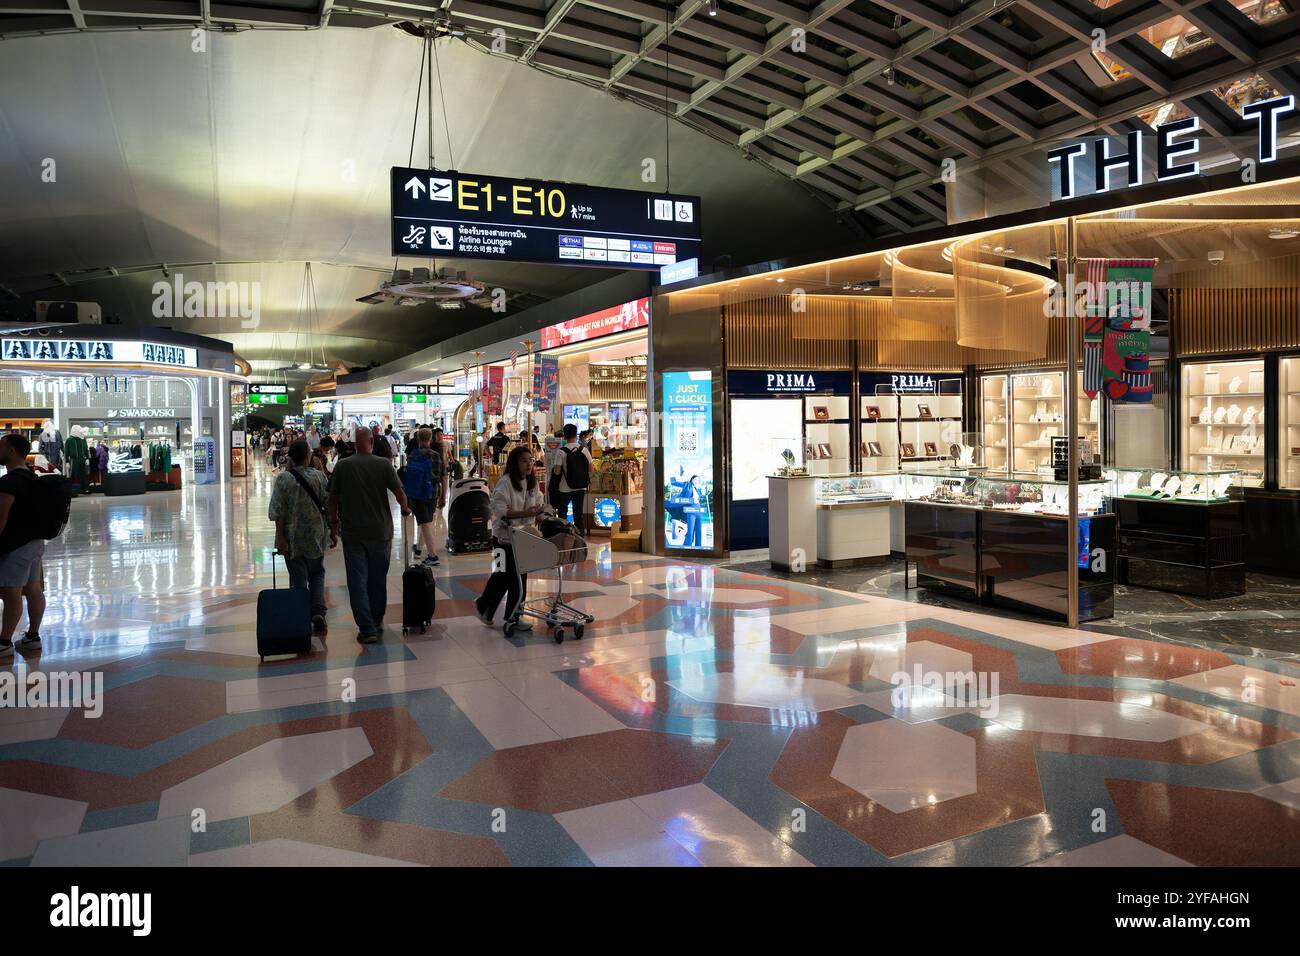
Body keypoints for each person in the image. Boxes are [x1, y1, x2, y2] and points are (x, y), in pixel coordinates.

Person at [327, 426, 411, 644]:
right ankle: (377, 620)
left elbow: (332, 499)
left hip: (354, 533)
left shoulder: (343, 466)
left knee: (357, 581)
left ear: (354, 443)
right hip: (381, 532)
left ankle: (366, 629)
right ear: (371, 441)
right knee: (377, 579)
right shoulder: (383, 464)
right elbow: (400, 493)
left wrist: (333, 523)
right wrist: (405, 509)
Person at [475, 446, 543, 631]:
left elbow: (538, 503)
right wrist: (524, 513)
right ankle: (489, 608)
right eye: (524, 460)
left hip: (523, 538)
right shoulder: (505, 483)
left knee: (519, 577)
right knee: (505, 576)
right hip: (502, 538)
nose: (529, 464)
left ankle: (508, 614)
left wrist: (541, 514)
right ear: (515, 463)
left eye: (531, 460)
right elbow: (498, 510)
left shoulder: (532, 483)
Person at [269, 439, 334, 632]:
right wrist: (333, 530)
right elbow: (328, 506)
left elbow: (277, 512)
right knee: (317, 572)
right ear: (308, 456)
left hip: (292, 537)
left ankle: (300, 614)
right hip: (316, 535)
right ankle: (318, 612)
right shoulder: (319, 477)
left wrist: (281, 538)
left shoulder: (283, 479)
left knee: (298, 576)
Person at [0, 433, 45, 658]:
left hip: (15, 546)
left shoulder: (9, 482)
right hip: (35, 543)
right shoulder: (33, 478)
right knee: (33, 588)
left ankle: (4, 641)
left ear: (11, 451)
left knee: (10, 592)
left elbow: (1, 518)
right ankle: (32, 637)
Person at [403, 428, 441, 568]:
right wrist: (443, 496)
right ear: (431, 439)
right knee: (427, 521)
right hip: (434, 492)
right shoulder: (436, 455)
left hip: (418, 493)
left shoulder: (413, 455)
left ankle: (432, 555)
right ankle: (418, 549)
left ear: (418, 440)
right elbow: (443, 475)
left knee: (425, 523)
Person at [550, 423, 592, 532]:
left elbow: (557, 471)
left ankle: (564, 537)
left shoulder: (561, 451)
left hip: (565, 488)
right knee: (578, 515)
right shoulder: (584, 450)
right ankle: (580, 539)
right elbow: (591, 470)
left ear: (564, 435)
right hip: (581, 487)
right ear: (576, 434)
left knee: (563, 514)